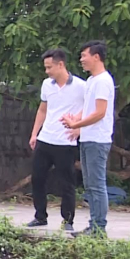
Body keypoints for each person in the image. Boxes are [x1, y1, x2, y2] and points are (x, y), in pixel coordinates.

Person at [27, 48, 85, 231]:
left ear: (61, 64)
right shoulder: (47, 85)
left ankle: (68, 220)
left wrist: (79, 128)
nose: (47, 71)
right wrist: (35, 133)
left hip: (66, 141)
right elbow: (43, 109)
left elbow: (92, 109)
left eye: (49, 67)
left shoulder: (81, 86)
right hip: (46, 138)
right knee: (37, 178)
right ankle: (40, 216)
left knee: (66, 182)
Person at [60, 40, 114, 236]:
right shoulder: (92, 81)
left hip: (98, 140)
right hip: (87, 138)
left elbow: (100, 112)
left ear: (96, 57)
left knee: (97, 184)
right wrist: (76, 117)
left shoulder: (103, 81)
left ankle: (99, 227)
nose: (81, 60)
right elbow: (89, 108)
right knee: (90, 184)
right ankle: (93, 225)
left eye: (84, 56)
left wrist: (77, 125)